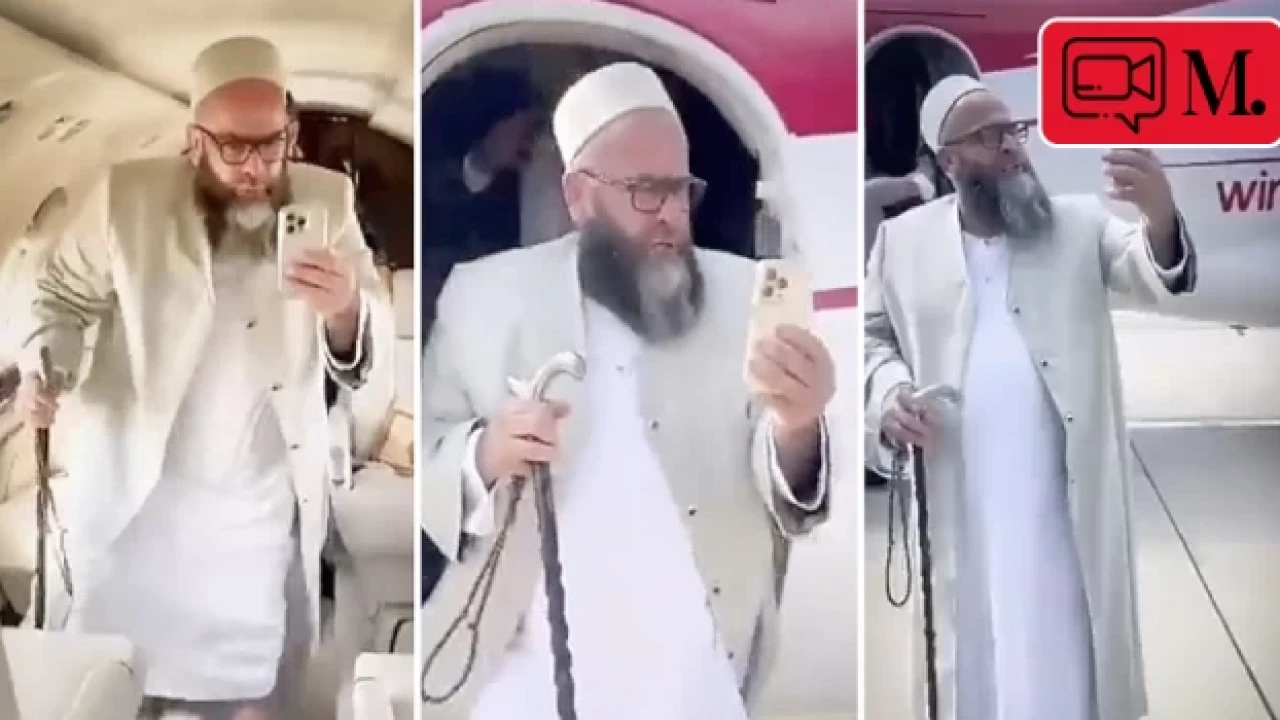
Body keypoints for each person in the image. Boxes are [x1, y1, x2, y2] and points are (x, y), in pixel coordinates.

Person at [419, 61, 836, 719]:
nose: (670, 214)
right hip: (528, 678)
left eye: (681, 191)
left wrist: (799, 423)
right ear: (579, 195)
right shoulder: (484, 296)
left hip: (695, 680)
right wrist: (488, 453)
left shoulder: (743, 296)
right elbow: (426, 461)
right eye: (646, 192)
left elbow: (784, 481)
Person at [13, 36, 389, 720]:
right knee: (114, 676)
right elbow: (60, 294)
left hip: (255, 506)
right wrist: (51, 367)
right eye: (234, 148)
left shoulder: (328, 200)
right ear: (194, 141)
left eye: (273, 144)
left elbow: (368, 331)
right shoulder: (125, 196)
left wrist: (343, 309)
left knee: (242, 686)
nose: (257, 168)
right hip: (139, 499)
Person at [864, 74, 1196, 720]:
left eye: (1016, 130)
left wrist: (1159, 218)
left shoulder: (1077, 225)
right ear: (950, 161)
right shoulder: (902, 242)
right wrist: (889, 394)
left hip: (1061, 508)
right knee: (973, 663)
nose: (1014, 146)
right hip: (963, 503)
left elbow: (1149, 271)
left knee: (1064, 660)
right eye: (991, 137)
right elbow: (874, 338)